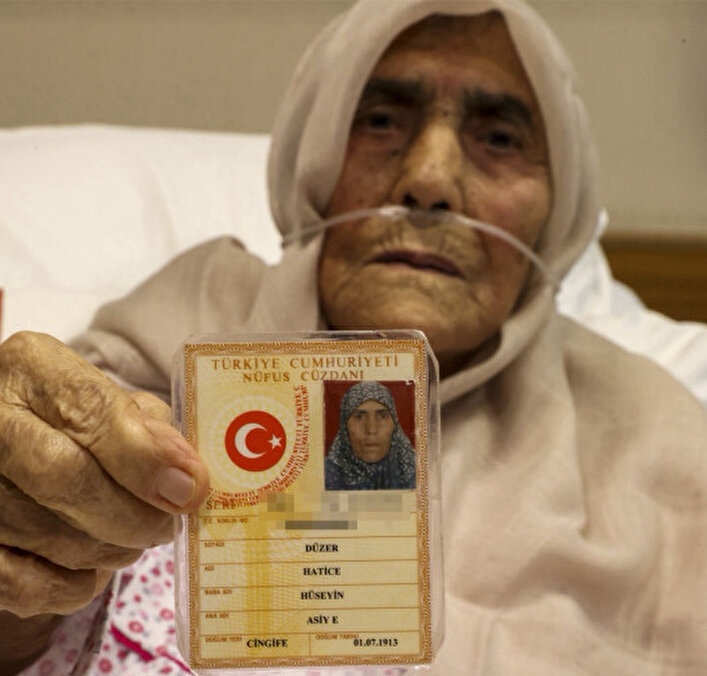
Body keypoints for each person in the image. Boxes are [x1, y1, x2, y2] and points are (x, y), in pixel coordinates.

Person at [1, 0, 706, 674]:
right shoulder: (176, 326)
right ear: (317, 163)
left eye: (498, 138)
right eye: (380, 120)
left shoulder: (657, 444)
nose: (428, 180)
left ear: (556, 210)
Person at [325, 381, 416, 490]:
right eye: (359, 417)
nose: (371, 430)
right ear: (345, 428)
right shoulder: (323, 475)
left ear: (394, 425)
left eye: (382, 416)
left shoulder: (418, 469)